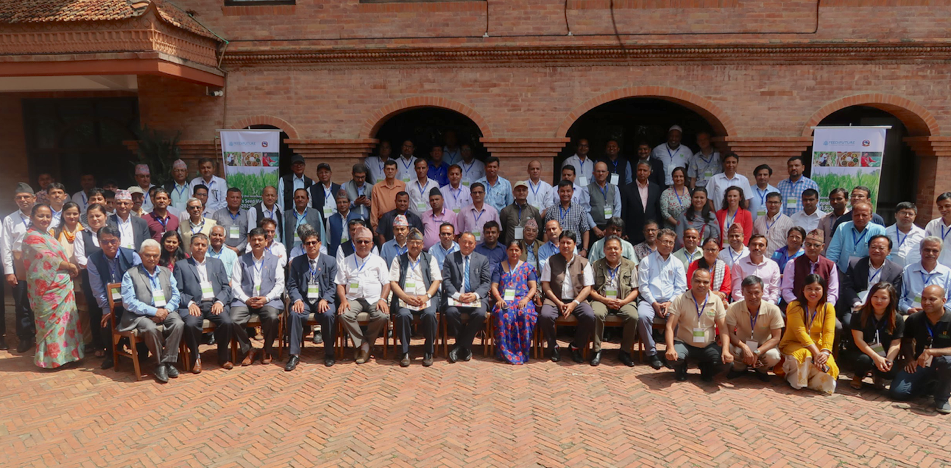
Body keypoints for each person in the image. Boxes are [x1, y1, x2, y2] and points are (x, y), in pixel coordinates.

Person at [18, 204, 83, 368]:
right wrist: (69, 266)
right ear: (32, 217)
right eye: (41, 216)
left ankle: (69, 356)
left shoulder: (46, 234)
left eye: (47, 216)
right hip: (46, 289)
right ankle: (53, 360)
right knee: (52, 325)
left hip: (61, 286)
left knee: (66, 322)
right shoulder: (31, 236)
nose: (45, 219)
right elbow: (46, 258)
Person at [119, 239, 185, 383]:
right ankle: (160, 363)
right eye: (148, 255)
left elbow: (176, 295)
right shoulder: (130, 274)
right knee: (150, 328)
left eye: (155, 255)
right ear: (141, 256)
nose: (152, 258)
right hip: (139, 315)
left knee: (178, 323)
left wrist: (166, 310)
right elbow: (129, 302)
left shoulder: (166, 272)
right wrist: (153, 312)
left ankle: (168, 362)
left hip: (165, 311)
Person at [173, 233, 234, 372]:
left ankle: (223, 357)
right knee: (191, 324)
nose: (200, 247)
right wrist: (189, 303)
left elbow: (226, 287)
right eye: (196, 244)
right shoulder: (181, 265)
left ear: (207, 247)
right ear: (190, 247)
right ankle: (195, 358)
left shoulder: (217, 263)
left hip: (214, 303)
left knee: (227, 322)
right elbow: (177, 291)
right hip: (194, 304)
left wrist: (220, 301)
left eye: (203, 245)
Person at [85, 225, 142, 368]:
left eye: (113, 241)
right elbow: (97, 288)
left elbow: (141, 282)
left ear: (119, 241)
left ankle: (141, 354)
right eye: (104, 242)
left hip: (133, 301)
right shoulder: (93, 260)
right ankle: (112, 355)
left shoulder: (132, 255)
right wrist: (106, 309)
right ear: (99, 242)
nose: (109, 245)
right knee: (106, 323)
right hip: (109, 303)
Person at [890, 285, 951, 414]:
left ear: (943, 301)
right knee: (898, 392)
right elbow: (906, 341)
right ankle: (931, 385)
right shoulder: (915, 318)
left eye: (932, 299)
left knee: (947, 362)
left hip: (945, 364)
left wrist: (931, 351)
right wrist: (910, 359)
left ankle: (942, 398)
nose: (926, 302)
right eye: (923, 299)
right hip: (921, 363)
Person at [335, 226, 391, 364]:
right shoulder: (346, 261)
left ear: (372, 244)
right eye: (359, 241)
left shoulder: (379, 261)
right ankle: (362, 345)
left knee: (383, 315)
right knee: (344, 314)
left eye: (366, 242)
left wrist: (383, 299)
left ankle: (366, 343)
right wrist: (343, 300)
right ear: (354, 242)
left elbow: (386, 283)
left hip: (374, 299)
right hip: (353, 299)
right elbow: (340, 284)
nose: (363, 245)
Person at [665, 268, 732, 381]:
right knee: (672, 358)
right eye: (698, 281)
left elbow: (723, 329)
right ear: (691, 282)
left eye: (705, 282)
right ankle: (681, 368)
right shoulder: (680, 299)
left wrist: (725, 350)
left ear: (710, 283)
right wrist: (670, 348)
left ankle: (706, 368)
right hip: (684, 343)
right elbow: (669, 326)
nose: (701, 285)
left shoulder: (716, 301)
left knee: (726, 363)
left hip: (707, 346)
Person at [230, 228, 285, 366]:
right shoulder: (241, 260)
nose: (257, 242)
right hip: (245, 300)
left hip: (267, 300)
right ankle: (249, 349)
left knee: (272, 317)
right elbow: (235, 284)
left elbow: (280, 284)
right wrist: (246, 299)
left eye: (260, 239)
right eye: (254, 239)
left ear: (266, 241)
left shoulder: (275, 260)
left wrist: (266, 299)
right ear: (249, 241)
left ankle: (267, 349)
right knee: (233, 319)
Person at [539, 231, 596, 363]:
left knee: (589, 316)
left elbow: (588, 288)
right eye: (562, 242)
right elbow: (546, 285)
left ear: (575, 244)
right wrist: (558, 303)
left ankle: (576, 346)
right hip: (554, 299)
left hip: (577, 299)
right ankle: (553, 346)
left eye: (568, 243)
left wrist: (574, 303)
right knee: (546, 316)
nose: (565, 245)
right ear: (559, 244)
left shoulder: (584, 262)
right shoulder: (551, 260)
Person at [285, 229, 337, 369]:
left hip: (323, 300)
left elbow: (333, 285)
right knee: (294, 314)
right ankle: (294, 355)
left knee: (328, 314)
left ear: (320, 244)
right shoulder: (296, 262)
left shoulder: (330, 261)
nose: (311, 245)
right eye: (308, 243)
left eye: (314, 242)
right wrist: (297, 300)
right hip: (304, 300)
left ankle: (329, 353)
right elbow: (292, 284)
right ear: (303, 246)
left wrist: (325, 299)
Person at [390, 228, 441, 367]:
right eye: (412, 242)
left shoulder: (430, 259)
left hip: (425, 297)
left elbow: (437, 280)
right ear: (406, 243)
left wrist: (427, 296)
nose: (415, 246)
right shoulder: (398, 259)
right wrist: (405, 297)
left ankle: (428, 351)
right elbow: (393, 282)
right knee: (402, 315)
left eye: (418, 243)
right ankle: (405, 352)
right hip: (405, 298)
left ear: (423, 244)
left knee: (430, 314)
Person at [779, 274, 839, 394]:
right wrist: (816, 353)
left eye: (817, 289)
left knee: (828, 364)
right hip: (794, 343)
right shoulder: (794, 306)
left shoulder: (828, 308)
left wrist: (825, 352)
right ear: (803, 290)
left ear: (823, 290)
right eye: (809, 288)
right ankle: (798, 382)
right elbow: (800, 332)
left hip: (819, 345)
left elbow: (829, 332)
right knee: (805, 354)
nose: (813, 292)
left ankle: (813, 383)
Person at [637, 228, 686, 369]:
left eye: (671, 242)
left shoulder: (677, 263)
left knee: (679, 317)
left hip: (671, 301)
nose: (668, 245)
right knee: (642, 316)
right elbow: (643, 287)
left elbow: (681, 287)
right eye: (665, 241)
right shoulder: (646, 261)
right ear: (657, 242)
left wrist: (670, 302)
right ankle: (651, 353)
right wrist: (654, 303)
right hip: (649, 300)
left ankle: (670, 352)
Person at [589, 235, 640, 367]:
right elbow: (590, 289)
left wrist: (623, 302)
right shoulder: (596, 265)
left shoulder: (630, 265)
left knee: (633, 316)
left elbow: (635, 290)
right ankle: (596, 350)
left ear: (621, 250)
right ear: (604, 250)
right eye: (609, 248)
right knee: (596, 314)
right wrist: (604, 300)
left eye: (616, 248)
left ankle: (625, 351)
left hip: (624, 300)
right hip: (601, 299)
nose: (613, 251)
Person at [442, 232, 491, 363]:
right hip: (456, 298)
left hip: (476, 298)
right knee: (450, 312)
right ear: (459, 242)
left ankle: (460, 346)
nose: (467, 245)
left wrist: (475, 295)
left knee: (481, 314)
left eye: (470, 243)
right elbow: (446, 280)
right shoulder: (450, 258)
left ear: (475, 245)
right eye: (464, 242)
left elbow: (486, 282)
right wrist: (458, 295)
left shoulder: (482, 259)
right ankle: (466, 347)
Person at [725, 276, 784, 380]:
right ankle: (739, 368)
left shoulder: (773, 310)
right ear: (742, 292)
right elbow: (729, 333)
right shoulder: (733, 308)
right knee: (727, 347)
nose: (753, 296)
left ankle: (761, 369)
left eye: (756, 292)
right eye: (749, 292)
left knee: (773, 356)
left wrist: (758, 351)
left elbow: (776, 338)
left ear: (762, 292)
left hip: (763, 348)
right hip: (741, 346)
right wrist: (744, 347)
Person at [848, 282, 903, 390]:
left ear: (890, 299)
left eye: (884, 298)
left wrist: (889, 360)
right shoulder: (858, 314)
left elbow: (896, 343)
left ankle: (878, 375)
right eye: (875, 297)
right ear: (870, 297)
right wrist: (876, 357)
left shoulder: (897, 318)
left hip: (884, 354)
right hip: (862, 352)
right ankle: (858, 376)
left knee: (891, 372)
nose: (878, 301)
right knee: (864, 360)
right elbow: (858, 340)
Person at [491, 240, 538, 365]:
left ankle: (523, 352)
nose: (514, 252)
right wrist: (499, 299)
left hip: (523, 299)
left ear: (521, 252)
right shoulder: (499, 266)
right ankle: (504, 352)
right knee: (503, 313)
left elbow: (533, 287)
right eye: (511, 249)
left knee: (524, 313)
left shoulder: (528, 268)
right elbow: (494, 286)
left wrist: (526, 299)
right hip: (504, 299)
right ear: (506, 251)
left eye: (516, 250)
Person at [75, 203, 109, 356]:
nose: (95, 219)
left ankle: (118, 343)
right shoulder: (81, 234)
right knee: (95, 310)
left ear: (105, 217)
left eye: (98, 215)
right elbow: (80, 258)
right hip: (90, 279)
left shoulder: (112, 232)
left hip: (111, 277)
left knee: (116, 308)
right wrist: (97, 267)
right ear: (86, 218)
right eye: (91, 216)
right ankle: (99, 345)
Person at [841, 235, 903, 314]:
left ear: (889, 251)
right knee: (849, 322)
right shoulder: (855, 264)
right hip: (858, 306)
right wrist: (857, 304)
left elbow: (895, 295)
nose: (876, 250)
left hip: (882, 309)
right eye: (873, 247)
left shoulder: (896, 270)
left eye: (881, 248)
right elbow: (847, 287)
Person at [781, 230, 839, 308]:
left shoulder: (830, 265)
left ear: (822, 247)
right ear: (804, 245)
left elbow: (833, 292)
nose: (812, 248)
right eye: (808, 244)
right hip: (797, 307)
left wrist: (825, 307)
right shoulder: (792, 263)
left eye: (816, 245)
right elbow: (786, 290)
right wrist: (797, 305)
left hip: (822, 308)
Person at [826, 202, 886, 272]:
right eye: (857, 215)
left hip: (869, 273)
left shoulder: (878, 230)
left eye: (864, 215)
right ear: (852, 215)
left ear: (871, 217)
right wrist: (829, 270)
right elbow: (833, 251)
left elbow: (884, 252)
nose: (860, 218)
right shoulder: (843, 227)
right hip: (844, 271)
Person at [899, 237, 951, 315]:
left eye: (935, 251)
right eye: (927, 250)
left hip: (939, 316)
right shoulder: (908, 271)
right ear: (920, 251)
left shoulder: (947, 273)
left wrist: (941, 311)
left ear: (940, 253)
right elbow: (900, 298)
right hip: (912, 315)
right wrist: (908, 309)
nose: (930, 254)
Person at [544, 181, 592, 256]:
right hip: (555, 250)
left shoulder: (580, 210)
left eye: (568, 191)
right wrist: (546, 250)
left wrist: (585, 249)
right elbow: (546, 232)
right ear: (558, 192)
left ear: (572, 192)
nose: (565, 194)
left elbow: (585, 230)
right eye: (562, 191)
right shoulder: (551, 210)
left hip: (576, 250)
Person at [622, 160, 663, 245]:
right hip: (633, 232)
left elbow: (658, 210)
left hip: (651, 232)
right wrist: (624, 231)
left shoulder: (656, 188)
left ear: (649, 172)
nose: (642, 173)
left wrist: (660, 229)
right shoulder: (627, 189)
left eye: (645, 170)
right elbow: (624, 212)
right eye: (639, 170)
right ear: (636, 171)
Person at [731, 235, 781, 304]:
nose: (757, 248)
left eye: (761, 245)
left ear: (766, 248)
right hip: (744, 304)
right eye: (754, 244)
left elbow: (775, 290)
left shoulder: (773, 265)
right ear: (748, 247)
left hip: (767, 304)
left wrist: (769, 305)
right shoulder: (739, 264)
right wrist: (747, 306)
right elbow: (737, 290)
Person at [687, 237, 732, 307]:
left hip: (719, 300)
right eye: (707, 249)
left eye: (713, 249)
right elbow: (691, 285)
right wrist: (711, 294)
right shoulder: (693, 265)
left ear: (718, 250)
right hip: (697, 299)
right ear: (703, 250)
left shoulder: (724, 267)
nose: (710, 252)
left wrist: (719, 296)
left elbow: (726, 289)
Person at [500, 181, 543, 247]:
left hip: (528, 248)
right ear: (513, 193)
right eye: (518, 190)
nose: (521, 192)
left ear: (527, 193)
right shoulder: (506, 211)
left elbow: (539, 230)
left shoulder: (534, 211)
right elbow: (502, 231)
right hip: (511, 248)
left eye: (524, 190)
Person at [753, 192, 795, 259]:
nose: (772, 205)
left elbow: (791, 244)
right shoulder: (758, 221)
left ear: (780, 204)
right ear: (766, 203)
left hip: (780, 260)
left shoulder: (788, 222)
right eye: (770, 202)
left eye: (775, 202)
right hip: (761, 260)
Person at [370, 160, 407, 233]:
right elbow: (374, 208)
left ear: (396, 171)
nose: (390, 171)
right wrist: (375, 227)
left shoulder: (403, 185)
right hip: (382, 222)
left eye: (392, 169)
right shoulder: (377, 187)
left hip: (400, 222)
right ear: (384, 170)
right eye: (388, 169)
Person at [587, 162, 623, 237]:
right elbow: (585, 211)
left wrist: (612, 226)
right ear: (593, 173)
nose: (601, 173)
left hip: (612, 227)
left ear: (607, 173)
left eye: (603, 171)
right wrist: (595, 228)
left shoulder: (615, 188)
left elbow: (618, 207)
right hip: (594, 227)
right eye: (598, 171)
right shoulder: (587, 189)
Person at [887, 201, 926, 268]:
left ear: (915, 217)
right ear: (895, 215)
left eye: (910, 214)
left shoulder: (923, 234)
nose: (907, 216)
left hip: (915, 272)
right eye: (903, 213)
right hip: (893, 273)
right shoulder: (886, 233)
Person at [325, 190, 363, 256]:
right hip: (336, 254)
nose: (342, 205)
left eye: (344, 202)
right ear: (336, 204)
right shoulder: (330, 219)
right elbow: (329, 240)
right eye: (339, 202)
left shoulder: (359, 218)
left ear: (349, 203)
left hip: (355, 253)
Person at [212, 188, 249, 254]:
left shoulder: (247, 214)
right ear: (226, 199)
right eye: (232, 197)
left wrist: (238, 248)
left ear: (241, 199)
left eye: (237, 197)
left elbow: (249, 235)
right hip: (222, 252)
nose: (235, 200)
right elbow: (213, 234)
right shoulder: (218, 214)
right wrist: (226, 248)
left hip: (243, 253)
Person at [818, 188, 849, 255]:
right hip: (828, 257)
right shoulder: (824, 219)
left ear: (846, 200)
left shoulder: (852, 218)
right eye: (832, 199)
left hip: (846, 258)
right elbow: (819, 240)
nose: (835, 201)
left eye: (839, 199)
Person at [925, 192, 951, 267]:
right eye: (940, 207)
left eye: (947, 206)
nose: (943, 209)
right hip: (935, 270)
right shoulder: (933, 225)